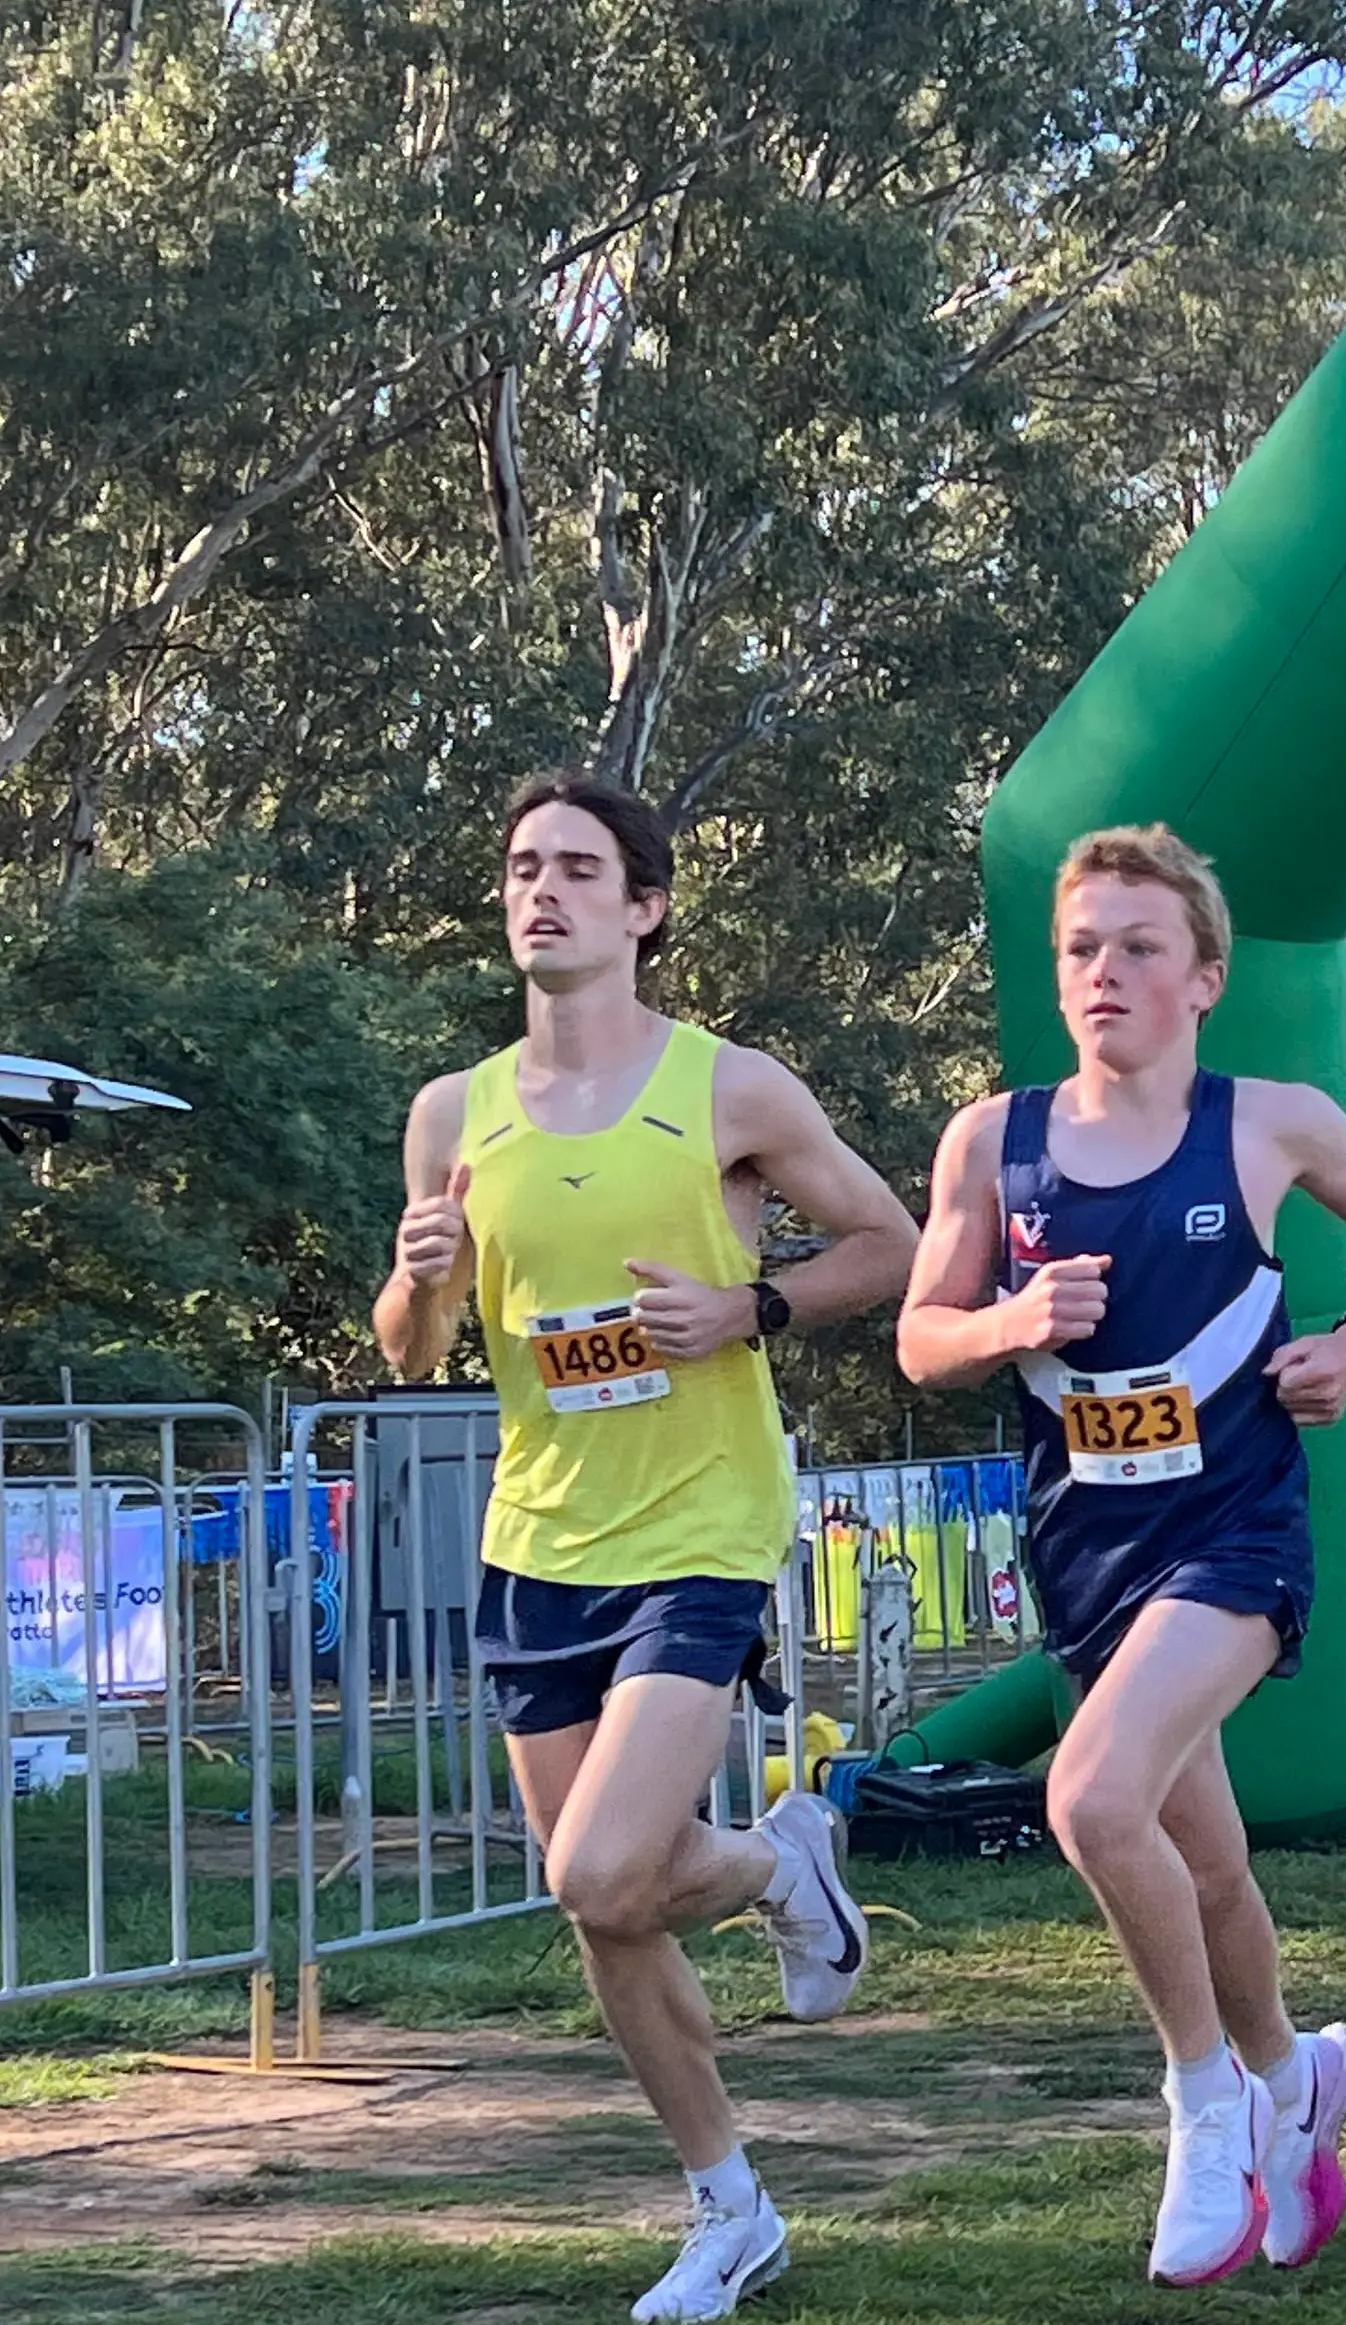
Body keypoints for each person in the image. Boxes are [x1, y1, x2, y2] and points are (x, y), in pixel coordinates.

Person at [375, 776, 921, 2324]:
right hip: (539, 1533)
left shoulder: (728, 1088)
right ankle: (728, 2204)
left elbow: (884, 1243)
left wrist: (746, 1308)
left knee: (603, 1862)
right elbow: (414, 1352)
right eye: (522, 868)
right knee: (602, 1905)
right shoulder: (451, 1114)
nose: (541, 891)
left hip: (702, 1522)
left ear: (644, 907)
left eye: (577, 870)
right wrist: (419, 1278)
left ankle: (769, 1864)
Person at [897, 822, 1346, 2288]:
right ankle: (1293, 2075)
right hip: (1087, 1554)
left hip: (1235, 1536)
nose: (1104, 972)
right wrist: (1007, 1324)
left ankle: (1202, 2099)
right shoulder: (990, 1143)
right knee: (1201, 1859)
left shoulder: (1269, 1123)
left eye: (1138, 946)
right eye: (1080, 948)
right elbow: (920, 1335)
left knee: (1090, 1795)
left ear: (1205, 976)